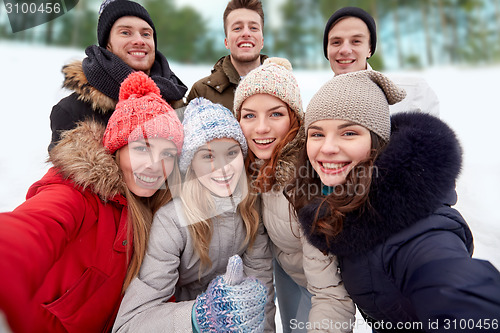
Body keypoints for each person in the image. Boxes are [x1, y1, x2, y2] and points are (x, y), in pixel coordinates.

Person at [290, 70, 500, 331]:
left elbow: (457, 291)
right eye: (317, 134)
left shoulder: (418, 229)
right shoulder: (342, 202)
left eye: (349, 133)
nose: (328, 147)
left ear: (377, 141)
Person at [0, 71, 184, 333]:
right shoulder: (78, 192)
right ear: (116, 148)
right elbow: (32, 227)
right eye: (142, 148)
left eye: (167, 153)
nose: (155, 166)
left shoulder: (157, 212)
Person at [112, 97, 275, 332]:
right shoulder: (172, 221)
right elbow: (131, 322)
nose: (223, 167)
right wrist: (201, 317)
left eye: (231, 153)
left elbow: (261, 295)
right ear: (191, 165)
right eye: (208, 156)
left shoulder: (249, 209)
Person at [235, 57, 355, 333]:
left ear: (295, 119)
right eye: (249, 115)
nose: (261, 128)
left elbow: (331, 294)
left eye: (275, 114)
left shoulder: (306, 184)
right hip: (287, 273)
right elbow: (259, 267)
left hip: (318, 288)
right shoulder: (249, 169)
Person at [48, 0, 188, 151]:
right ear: (107, 44)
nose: (139, 41)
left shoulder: (178, 103)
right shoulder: (73, 111)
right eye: (125, 32)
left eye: (146, 34)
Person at [323, 6, 440, 116]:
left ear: (370, 49)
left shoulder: (413, 92)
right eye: (336, 42)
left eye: (356, 41)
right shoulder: (320, 104)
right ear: (327, 50)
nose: (345, 50)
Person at [186, 0, 267, 114]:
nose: (246, 33)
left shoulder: (284, 85)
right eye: (237, 28)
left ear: (262, 41)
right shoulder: (202, 92)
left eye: (253, 28)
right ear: (226, 42)